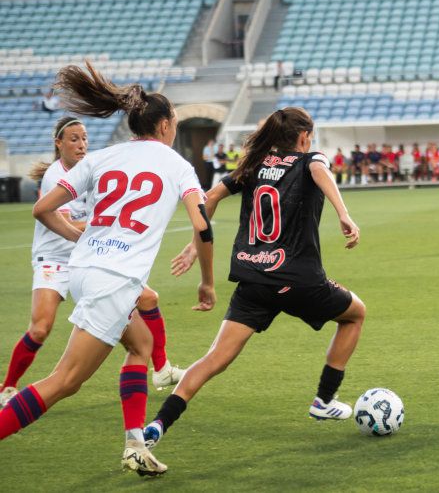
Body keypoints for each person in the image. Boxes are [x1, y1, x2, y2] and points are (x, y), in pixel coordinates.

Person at [0, 63, 215, 477]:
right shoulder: (176, 165)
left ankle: (135, 445)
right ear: (167, 125)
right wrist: (206, 283)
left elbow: (42, 209)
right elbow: (202, 227)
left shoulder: (101, 156)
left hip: (82, 271)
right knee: (64, 381)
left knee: (140, 344)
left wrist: (80, 238)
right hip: (113, 282)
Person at [142, 107, 366, 454]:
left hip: (253, 281)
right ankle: (324, 399)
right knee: (355, 314)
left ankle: (159, 423)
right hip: (298, 280)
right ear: (304, 136)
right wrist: (344, 213)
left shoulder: (254, 166)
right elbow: (321, 170)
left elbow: (210, 197)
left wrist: (193, 244)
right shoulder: (310, 159)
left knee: (214, 358)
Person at [0, 118, 186, 409]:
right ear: (58, 143)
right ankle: (8, 387)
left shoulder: (95, 168)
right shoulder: (54, 176)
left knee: (148, 299)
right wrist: (100, 228)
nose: (81, 145)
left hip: (87, 258)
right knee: (40, 329)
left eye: (84, 139)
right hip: (55, 260)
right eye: (74, 139)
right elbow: (62, 220)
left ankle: (161, 369)